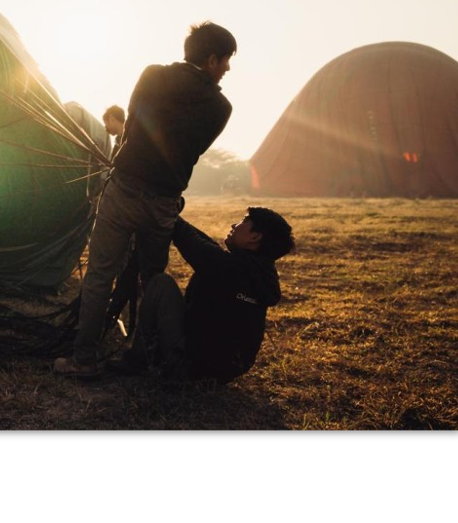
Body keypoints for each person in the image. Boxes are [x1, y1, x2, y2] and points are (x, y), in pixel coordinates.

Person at [55, 21, 236, 377]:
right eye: (227, 60)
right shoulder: (221, 107)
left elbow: (134, 122)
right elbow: (193, 149)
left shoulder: (152, 75)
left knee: (99, 274)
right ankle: (144, 356)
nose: (228, 68)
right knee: (153, 279)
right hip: (164, 201)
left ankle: (83, 359)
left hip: (124, 189)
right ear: (212, 59)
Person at [109, 207, 295, 382]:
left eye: (243, 221)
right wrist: (174, 213)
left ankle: (137, 361)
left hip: (189, 369)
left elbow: (192, 243)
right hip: (223, 373)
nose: (234, 225)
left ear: (254, 237)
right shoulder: (258, 272)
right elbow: (207, 247)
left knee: (161, 284)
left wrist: (164, 209)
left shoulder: (230, 268)